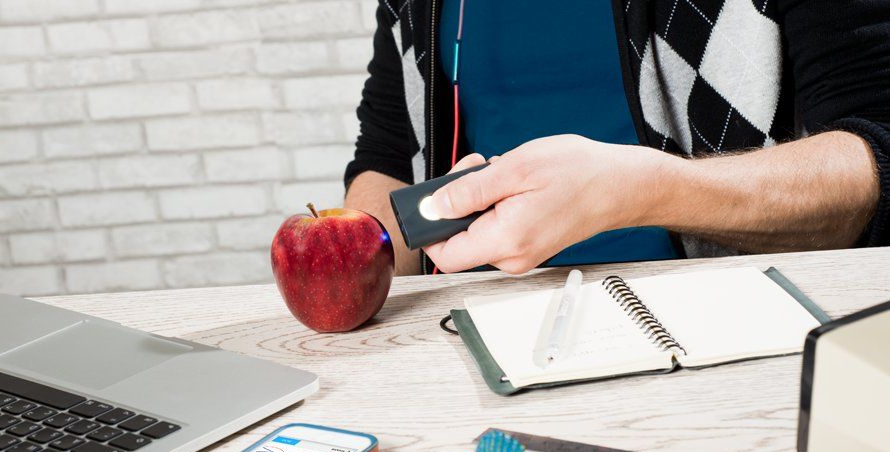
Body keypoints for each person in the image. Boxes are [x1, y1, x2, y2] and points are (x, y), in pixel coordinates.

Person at [343, 1, 890, 276]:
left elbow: (875, 148)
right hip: (467, 335)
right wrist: (343, 268)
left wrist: (643, 191)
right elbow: (388, 154)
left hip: (720, 329)